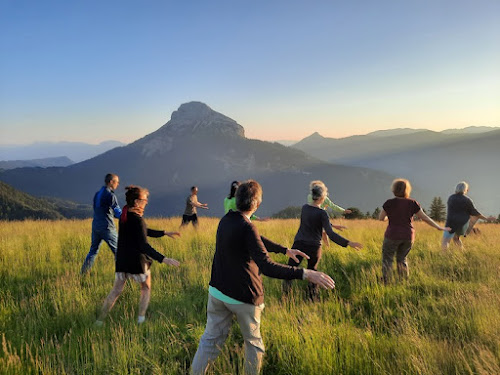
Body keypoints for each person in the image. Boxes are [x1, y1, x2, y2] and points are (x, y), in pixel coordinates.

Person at [190, 180, 336, 375]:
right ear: (257, 204)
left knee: (209, 340)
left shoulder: (227, 220)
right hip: (244, 297)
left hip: (217, 292)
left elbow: (256, 239)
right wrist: (305, 273)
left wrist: (284, 250)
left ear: (237, 200)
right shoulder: (247, 227)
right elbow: (266, 266)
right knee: (253, 344)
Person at [96, 185, 180, 325]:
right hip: (137, 261)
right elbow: (143, 245)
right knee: (145, 289)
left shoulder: (125, 216)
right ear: (137, 202)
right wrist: (164, 259)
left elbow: (143, 231)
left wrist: (164, 233)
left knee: (116, 291)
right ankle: (141, 320)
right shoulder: (137, 219)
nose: (146, 203)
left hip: (122, 260)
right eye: (144, 200)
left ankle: (99, 321)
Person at [284, 180, 363, 300]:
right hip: (314, 247)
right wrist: (348, 243)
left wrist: (333, 225)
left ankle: (286, 297)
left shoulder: (305, 208)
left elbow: (314, 220)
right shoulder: (322, 213)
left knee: (290, 271)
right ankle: (312, 298)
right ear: (322, 197)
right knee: (313, 271)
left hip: (299, 243)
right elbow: (330, 233)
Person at [379, 178, 450, 283]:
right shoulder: (413, 203)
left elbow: (381, 218)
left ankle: (386, 281)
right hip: (408, 236)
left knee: (388, 259)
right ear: (407, 190)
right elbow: (425, 218)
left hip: (392, 235)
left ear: (394, 189)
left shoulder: (389, 203)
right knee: (402, 259)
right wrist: (439, 227)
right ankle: (403, 282)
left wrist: (389, 217)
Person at [81, 173, 122, 274]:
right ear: (111, 182)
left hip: (96, 227)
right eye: (117, 182)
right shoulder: (111, 196)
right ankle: (125, 278)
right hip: (107, 228)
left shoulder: (97, 194)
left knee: (93, 251)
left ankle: (83, 275)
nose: (118, 184)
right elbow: (117, 213)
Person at [441, 181, 494, 251]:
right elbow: (475, 213)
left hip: (451, 223)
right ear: (465, 190)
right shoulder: (468, 200)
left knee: (446, 240)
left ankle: (444, 256)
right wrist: (486, 218)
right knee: (456, 239)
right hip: (462, 224)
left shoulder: (451, 198)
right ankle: (462, 252)